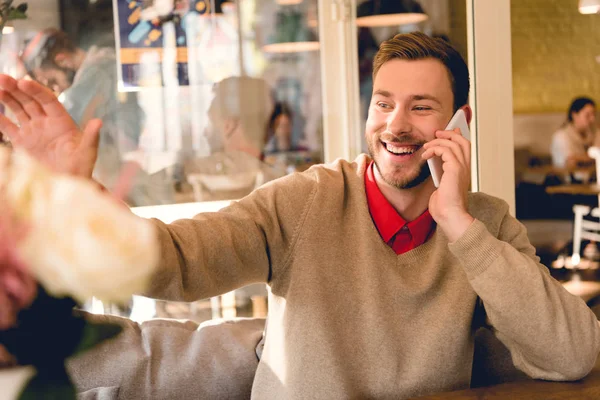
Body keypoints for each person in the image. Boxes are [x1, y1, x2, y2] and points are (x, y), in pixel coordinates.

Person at [0, 32, 599, 399]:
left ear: (459, 123)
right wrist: (71, 198)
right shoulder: (305, 200)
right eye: (383, 103)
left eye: (421, 107)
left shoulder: (484, 225)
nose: (394, 125)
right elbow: (177, 263)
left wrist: (458, 223)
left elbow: (574, 354)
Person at [20, 28, 172, 206]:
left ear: (62, 60)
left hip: (134, 183)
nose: (57, 88)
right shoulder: (104, 63)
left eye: (53, 80)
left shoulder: (98, 70)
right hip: (131, 178)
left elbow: (65, 124)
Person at [551, 97, 599, 173]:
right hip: (566, 180)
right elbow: (571, 162)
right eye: (588, 115)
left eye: (594, 114)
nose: (592, 119)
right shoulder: (562, 136)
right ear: (574, 115)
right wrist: (592, 158)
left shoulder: (593, 132)